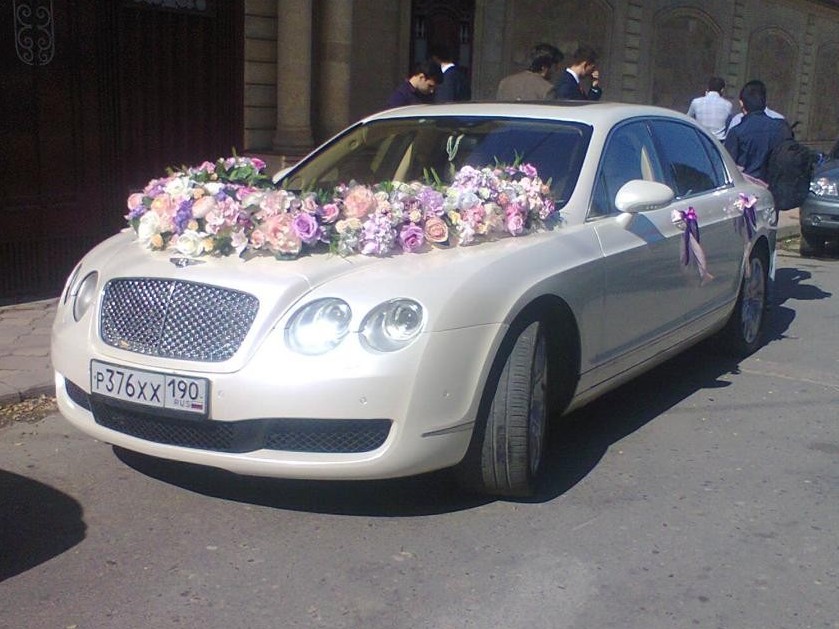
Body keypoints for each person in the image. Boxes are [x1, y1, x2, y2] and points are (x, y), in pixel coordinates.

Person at [724, 80, 792, 183]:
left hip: (748, 188)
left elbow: (729, 168)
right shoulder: (782, 127)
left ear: (741, 103)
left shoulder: (736, 132)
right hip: (775, 187)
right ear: (765, 102)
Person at [496, 43, 563, 101]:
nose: (556, 71)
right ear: (545, 68)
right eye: (555, 67)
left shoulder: (505, 83)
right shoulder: (547, 89)